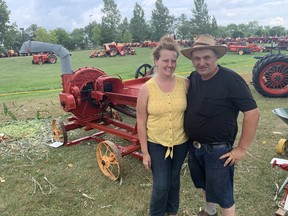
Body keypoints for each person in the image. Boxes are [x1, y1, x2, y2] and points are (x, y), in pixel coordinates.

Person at [181, 34, 260, 216]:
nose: (202, 62)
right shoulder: (193, 78)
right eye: (197, 58)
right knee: (204, 185)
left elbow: (252, 113)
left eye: (207, 57)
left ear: (216, 57)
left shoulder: (231, 80)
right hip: (194, 147)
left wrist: (241, 148)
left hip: (218, 152)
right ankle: (209, 212)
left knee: (224, 196)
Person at [136, 35, 189, 216]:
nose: (170, 64)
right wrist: (145, 152)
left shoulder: (185, 84)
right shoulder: (146, 89)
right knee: (161, 185)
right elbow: (141, 122)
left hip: (181, 143)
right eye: (165, 60)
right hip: (156, 144)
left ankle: (172, 212)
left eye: (173, 61)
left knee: (174, 180)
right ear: (156, 61)